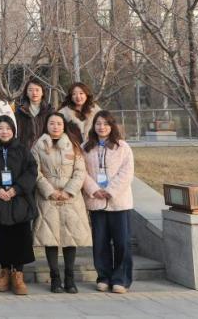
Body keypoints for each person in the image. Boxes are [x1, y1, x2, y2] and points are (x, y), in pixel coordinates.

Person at [33, 112, 91, 294]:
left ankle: (70, 278)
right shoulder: (38, 146)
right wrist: (50, 191)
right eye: (52, 123)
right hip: (48, 198)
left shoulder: (73, 146)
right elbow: (35, 172)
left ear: (64, 126)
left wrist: (68, 191)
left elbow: (80, 171)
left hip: (70, 199)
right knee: (50, 238)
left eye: (59, 123)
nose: (55, 127)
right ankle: (55, 278)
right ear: (46, 125)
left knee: (69, 238)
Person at [0, 116, 37, 295]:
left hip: (19, 200)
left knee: (20, 237)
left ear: (13, 130)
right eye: (0, 128)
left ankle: (18, 274)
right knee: (1, 237)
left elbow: (32, 170)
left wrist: (16, 189)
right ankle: (5, 271)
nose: (4, 131)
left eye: (8, 128)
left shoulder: (22, 149)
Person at [83, 110, 135, 294]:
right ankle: (103, 277)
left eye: (105, 124)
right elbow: (81, 172)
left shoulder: (122, 147)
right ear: (93, 126)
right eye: (98, 123)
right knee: (100, 242)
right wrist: (94, 189)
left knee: (122, 242)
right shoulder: (86, 147)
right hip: (96, 201)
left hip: (119, 202)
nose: (102, 127)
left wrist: (110, 190)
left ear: (112, 126)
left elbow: (127, 173)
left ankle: (121, 279)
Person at [14, 78, 54, 149]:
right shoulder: (20, 112)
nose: (34, 93)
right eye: (30, 90)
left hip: (45, 151)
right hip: (25, 152)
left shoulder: (49, 111)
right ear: (26, 93)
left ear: (42, 92)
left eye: (37, 90)